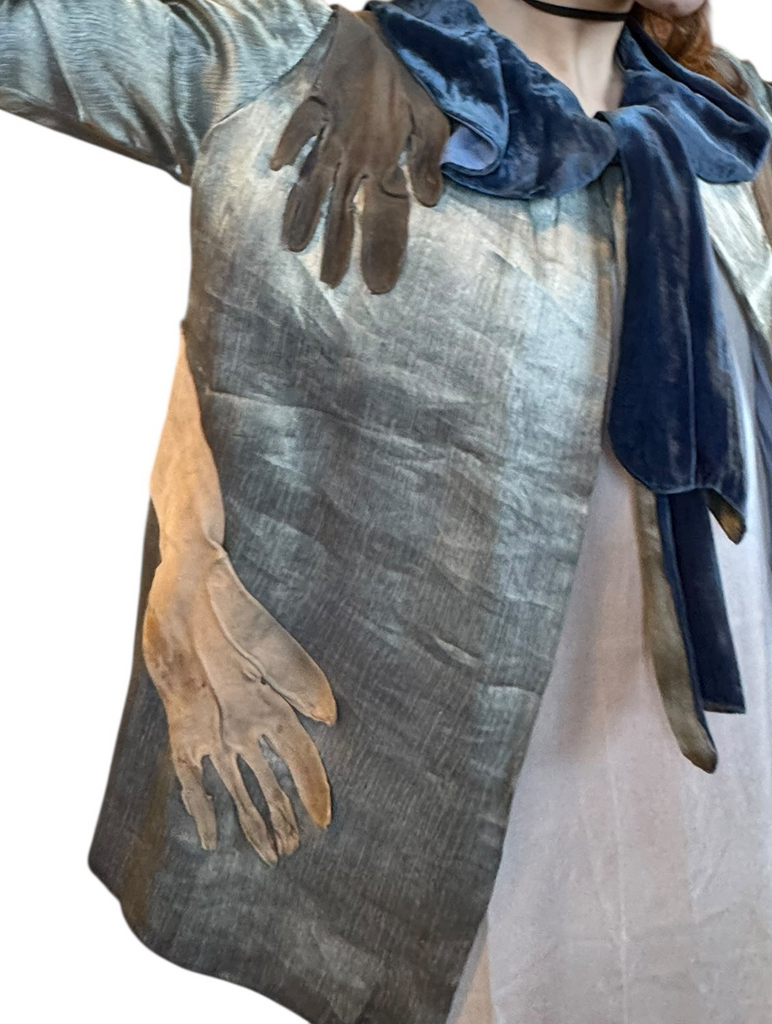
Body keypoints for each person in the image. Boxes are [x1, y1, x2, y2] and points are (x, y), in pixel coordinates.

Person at [1, 2, 770, 1023]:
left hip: (723, 774)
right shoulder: (285, 71)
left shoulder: (729, 126)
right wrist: (188, 520)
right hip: (463, 801)